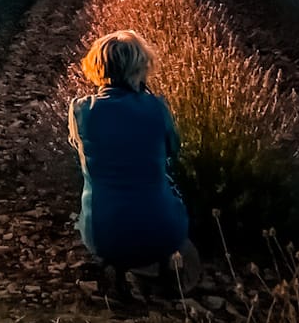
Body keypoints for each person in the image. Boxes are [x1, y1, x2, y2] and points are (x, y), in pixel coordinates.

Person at [67, 30, 202, 300]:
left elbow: (79, 149)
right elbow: (173, 150)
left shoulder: (81, 109)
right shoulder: (157, 107)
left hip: (102, 234)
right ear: (141, 67)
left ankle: (116, 270)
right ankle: (163, 269)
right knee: (166, 188)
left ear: (97, 67)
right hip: (163, 232)